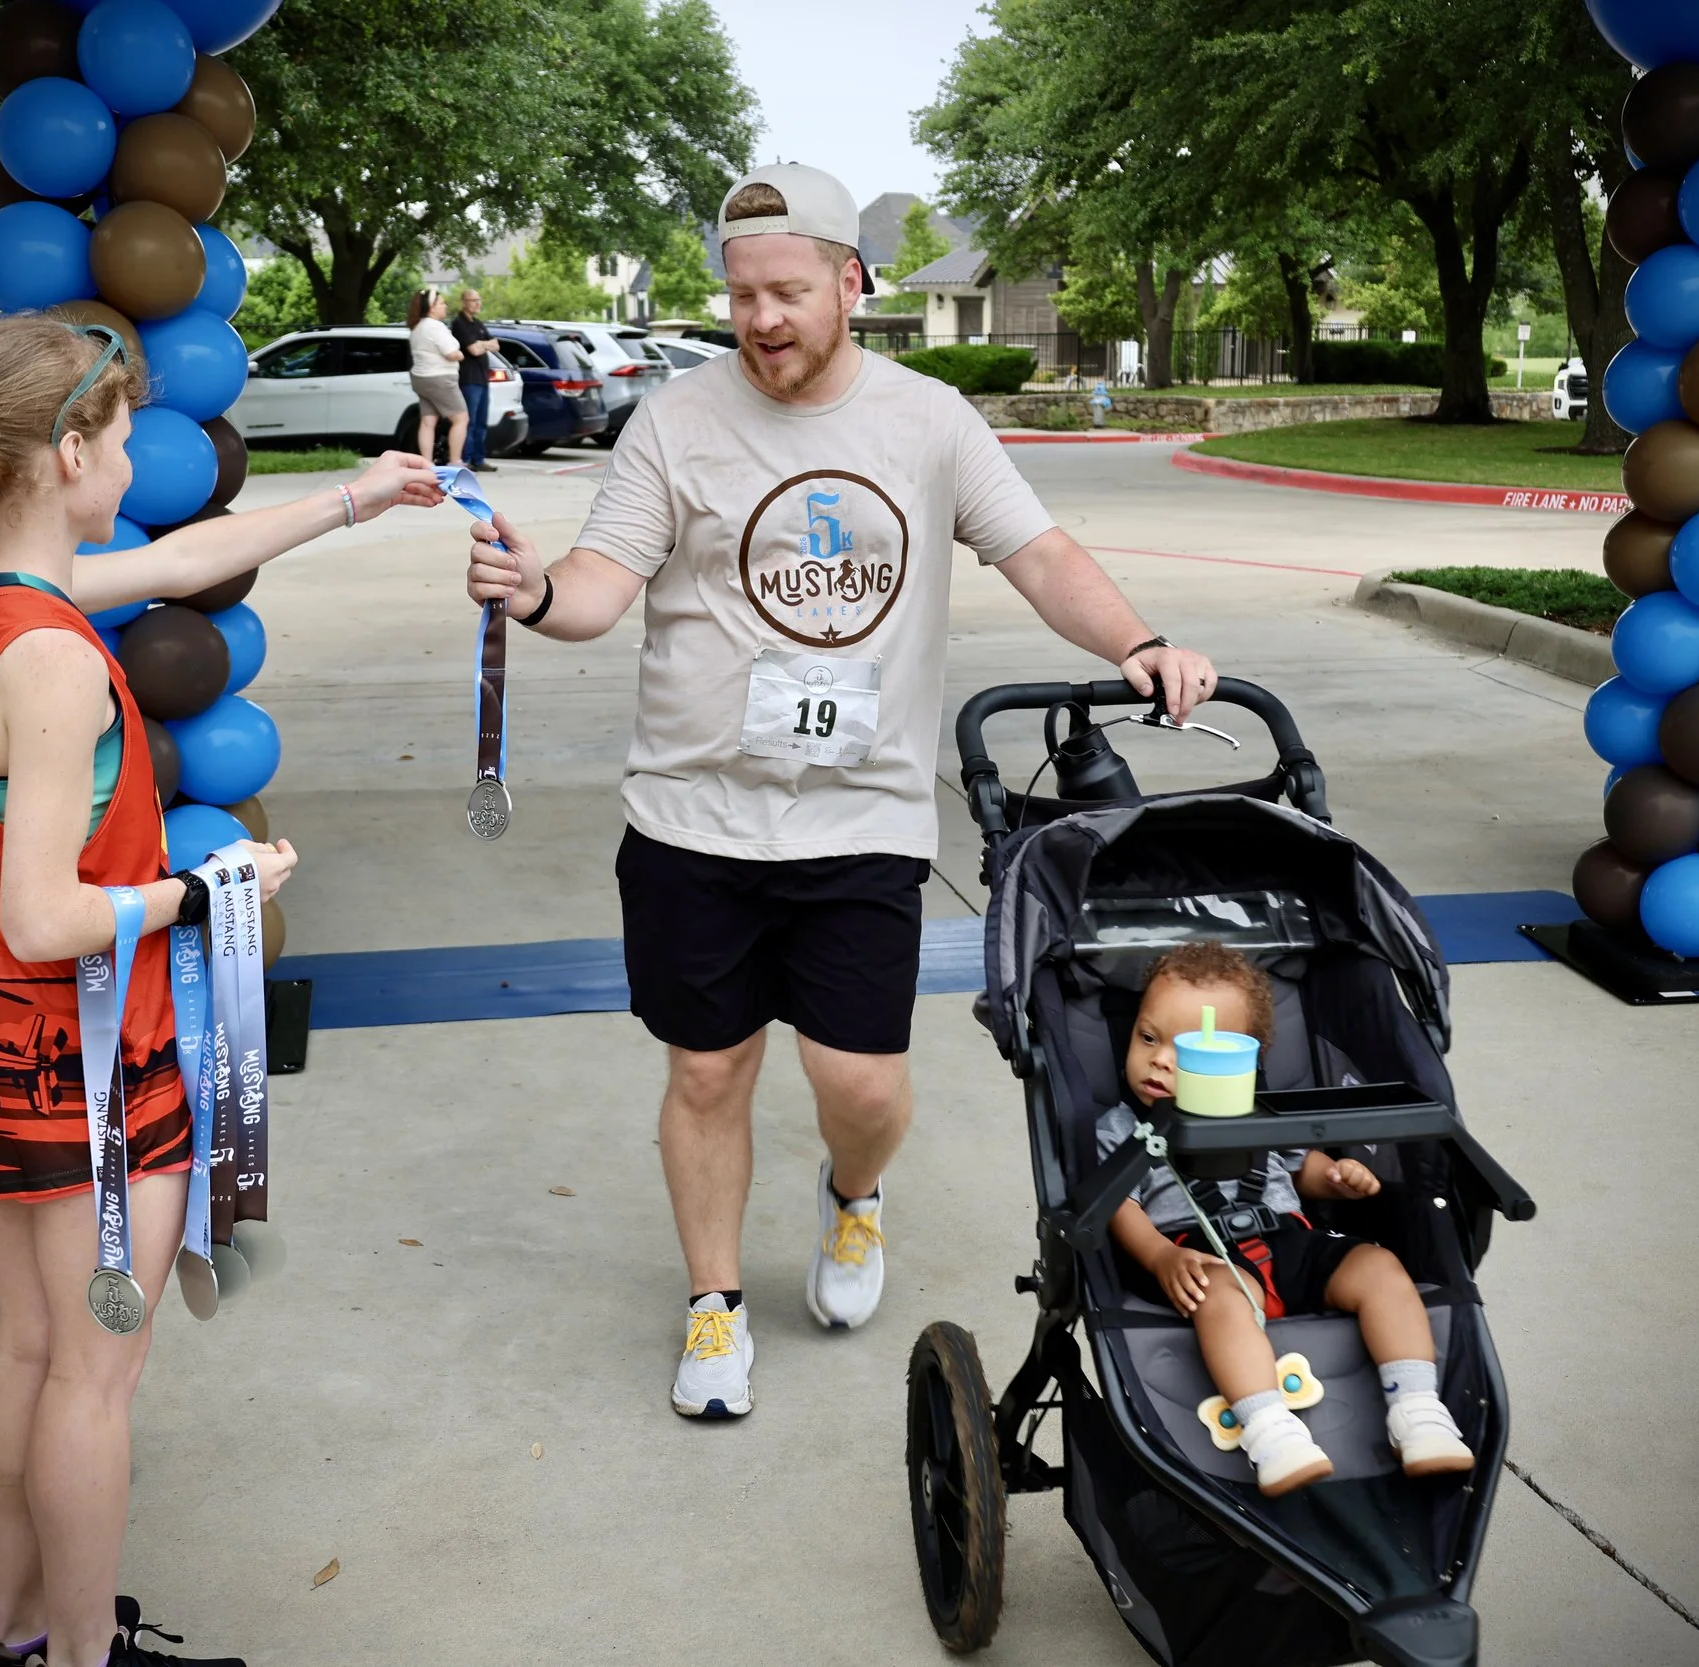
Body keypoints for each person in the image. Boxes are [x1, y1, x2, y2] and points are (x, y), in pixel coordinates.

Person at [461, 163, 1220, 1421]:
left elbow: (1036, 550)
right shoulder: (675, 421)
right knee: (707, 1072)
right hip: (691, 815)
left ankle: (853, 1200)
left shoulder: (927, 422)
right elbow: (599, 581)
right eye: (742, 293)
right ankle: (713, 1302)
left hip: (859, 812)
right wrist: (536, 593)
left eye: (789, 292)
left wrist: (1132, 641)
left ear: (850, 281)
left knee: (858, 1083)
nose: (761, 319)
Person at [0, 313, 441, 1667]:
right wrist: (212, 885)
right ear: (70, 450)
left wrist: (362, 494)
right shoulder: (60, 659)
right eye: (122, 439)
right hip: (86, 1062)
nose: (135, 460)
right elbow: (47, 912)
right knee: (92, 1371)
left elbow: (183, 558)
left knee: (28, 1344)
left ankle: (16, 1636)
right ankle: (82, 1656)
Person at [1094, 942, 1476, 1497]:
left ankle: (1416, 1408)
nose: (1160, 1060)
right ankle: (1270, 1429)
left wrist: (1340, 1177)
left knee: (1379, 1267)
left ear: (1244, 1058)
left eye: (1189, 1050)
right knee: (1217, 1298)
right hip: (1198, 1251)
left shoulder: (1260, 1110)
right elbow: (1117, 1204)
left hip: (1290, 1240)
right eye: (1148, 1038)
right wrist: (1161, 1256)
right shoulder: (1119, 1127)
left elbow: (1302, 1170)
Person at [405, 288, 468, 466]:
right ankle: (455, 461)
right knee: (461, 418)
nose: (445, 306)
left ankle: (426, 463)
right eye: (441, 303)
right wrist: (460, 355)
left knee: (427, 421)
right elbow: (450, 353)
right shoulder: (435, 326)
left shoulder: (417, 327)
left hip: (420, 379)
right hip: (440, 378)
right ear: (432, 308)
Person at [450, 286, 498, 469]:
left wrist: (482, 344)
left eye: (479, 300)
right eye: (474, 300)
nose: (478, 304)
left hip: (482, 378)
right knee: (468, 421)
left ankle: (479, 459)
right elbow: (473, 350)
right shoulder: (459, 323)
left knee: (481, 422)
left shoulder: (478, 324)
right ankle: (466, 459)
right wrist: (483, 345)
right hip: (469, 379)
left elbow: (495, 345)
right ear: (464, 303)